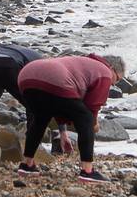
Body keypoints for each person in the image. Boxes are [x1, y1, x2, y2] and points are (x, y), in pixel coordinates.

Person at [16, 53, 126, 182]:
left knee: (41, 117)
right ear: (111, 68)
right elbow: (92, 106)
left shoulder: (84, 61)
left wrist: (64, 133)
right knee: (86, 118)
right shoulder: (104, 72)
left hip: (26, 75)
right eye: (117, 79)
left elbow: (62, 104)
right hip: (54, 77)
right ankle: (87, 171)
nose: (113, 84)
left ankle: (27, 165)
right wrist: (93, 123)